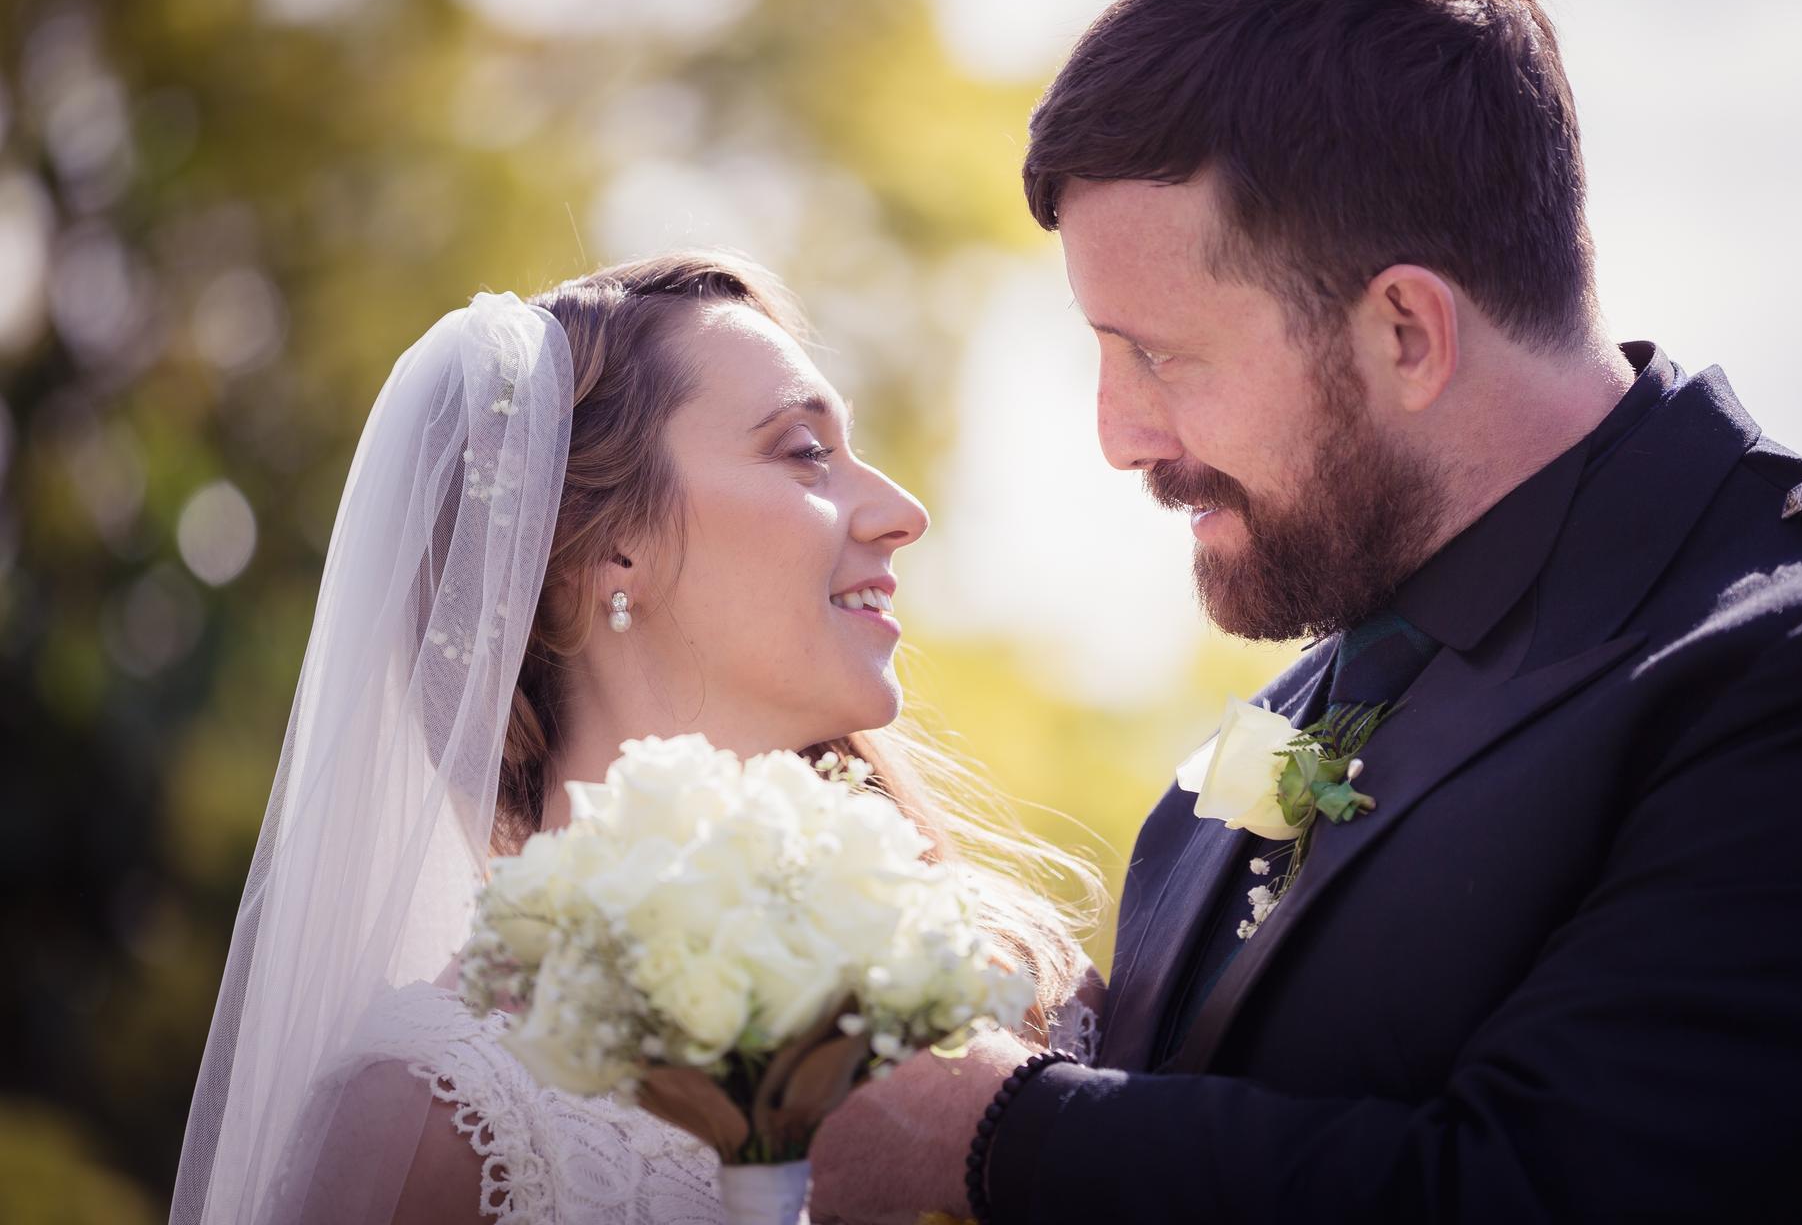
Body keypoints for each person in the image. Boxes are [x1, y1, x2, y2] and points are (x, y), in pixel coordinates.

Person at [805, 0, 1802, 1221]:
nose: (1121, 433)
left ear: (1406, 330)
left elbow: (1557, 1194)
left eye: (1161, 356)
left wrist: (1004, 1134)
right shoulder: (1293, 706)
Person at [169, 253, 1104, 1225]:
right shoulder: (436, 1120)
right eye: (802, 450)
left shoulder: (1023, 988)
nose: (902, 513)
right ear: (607, 550)